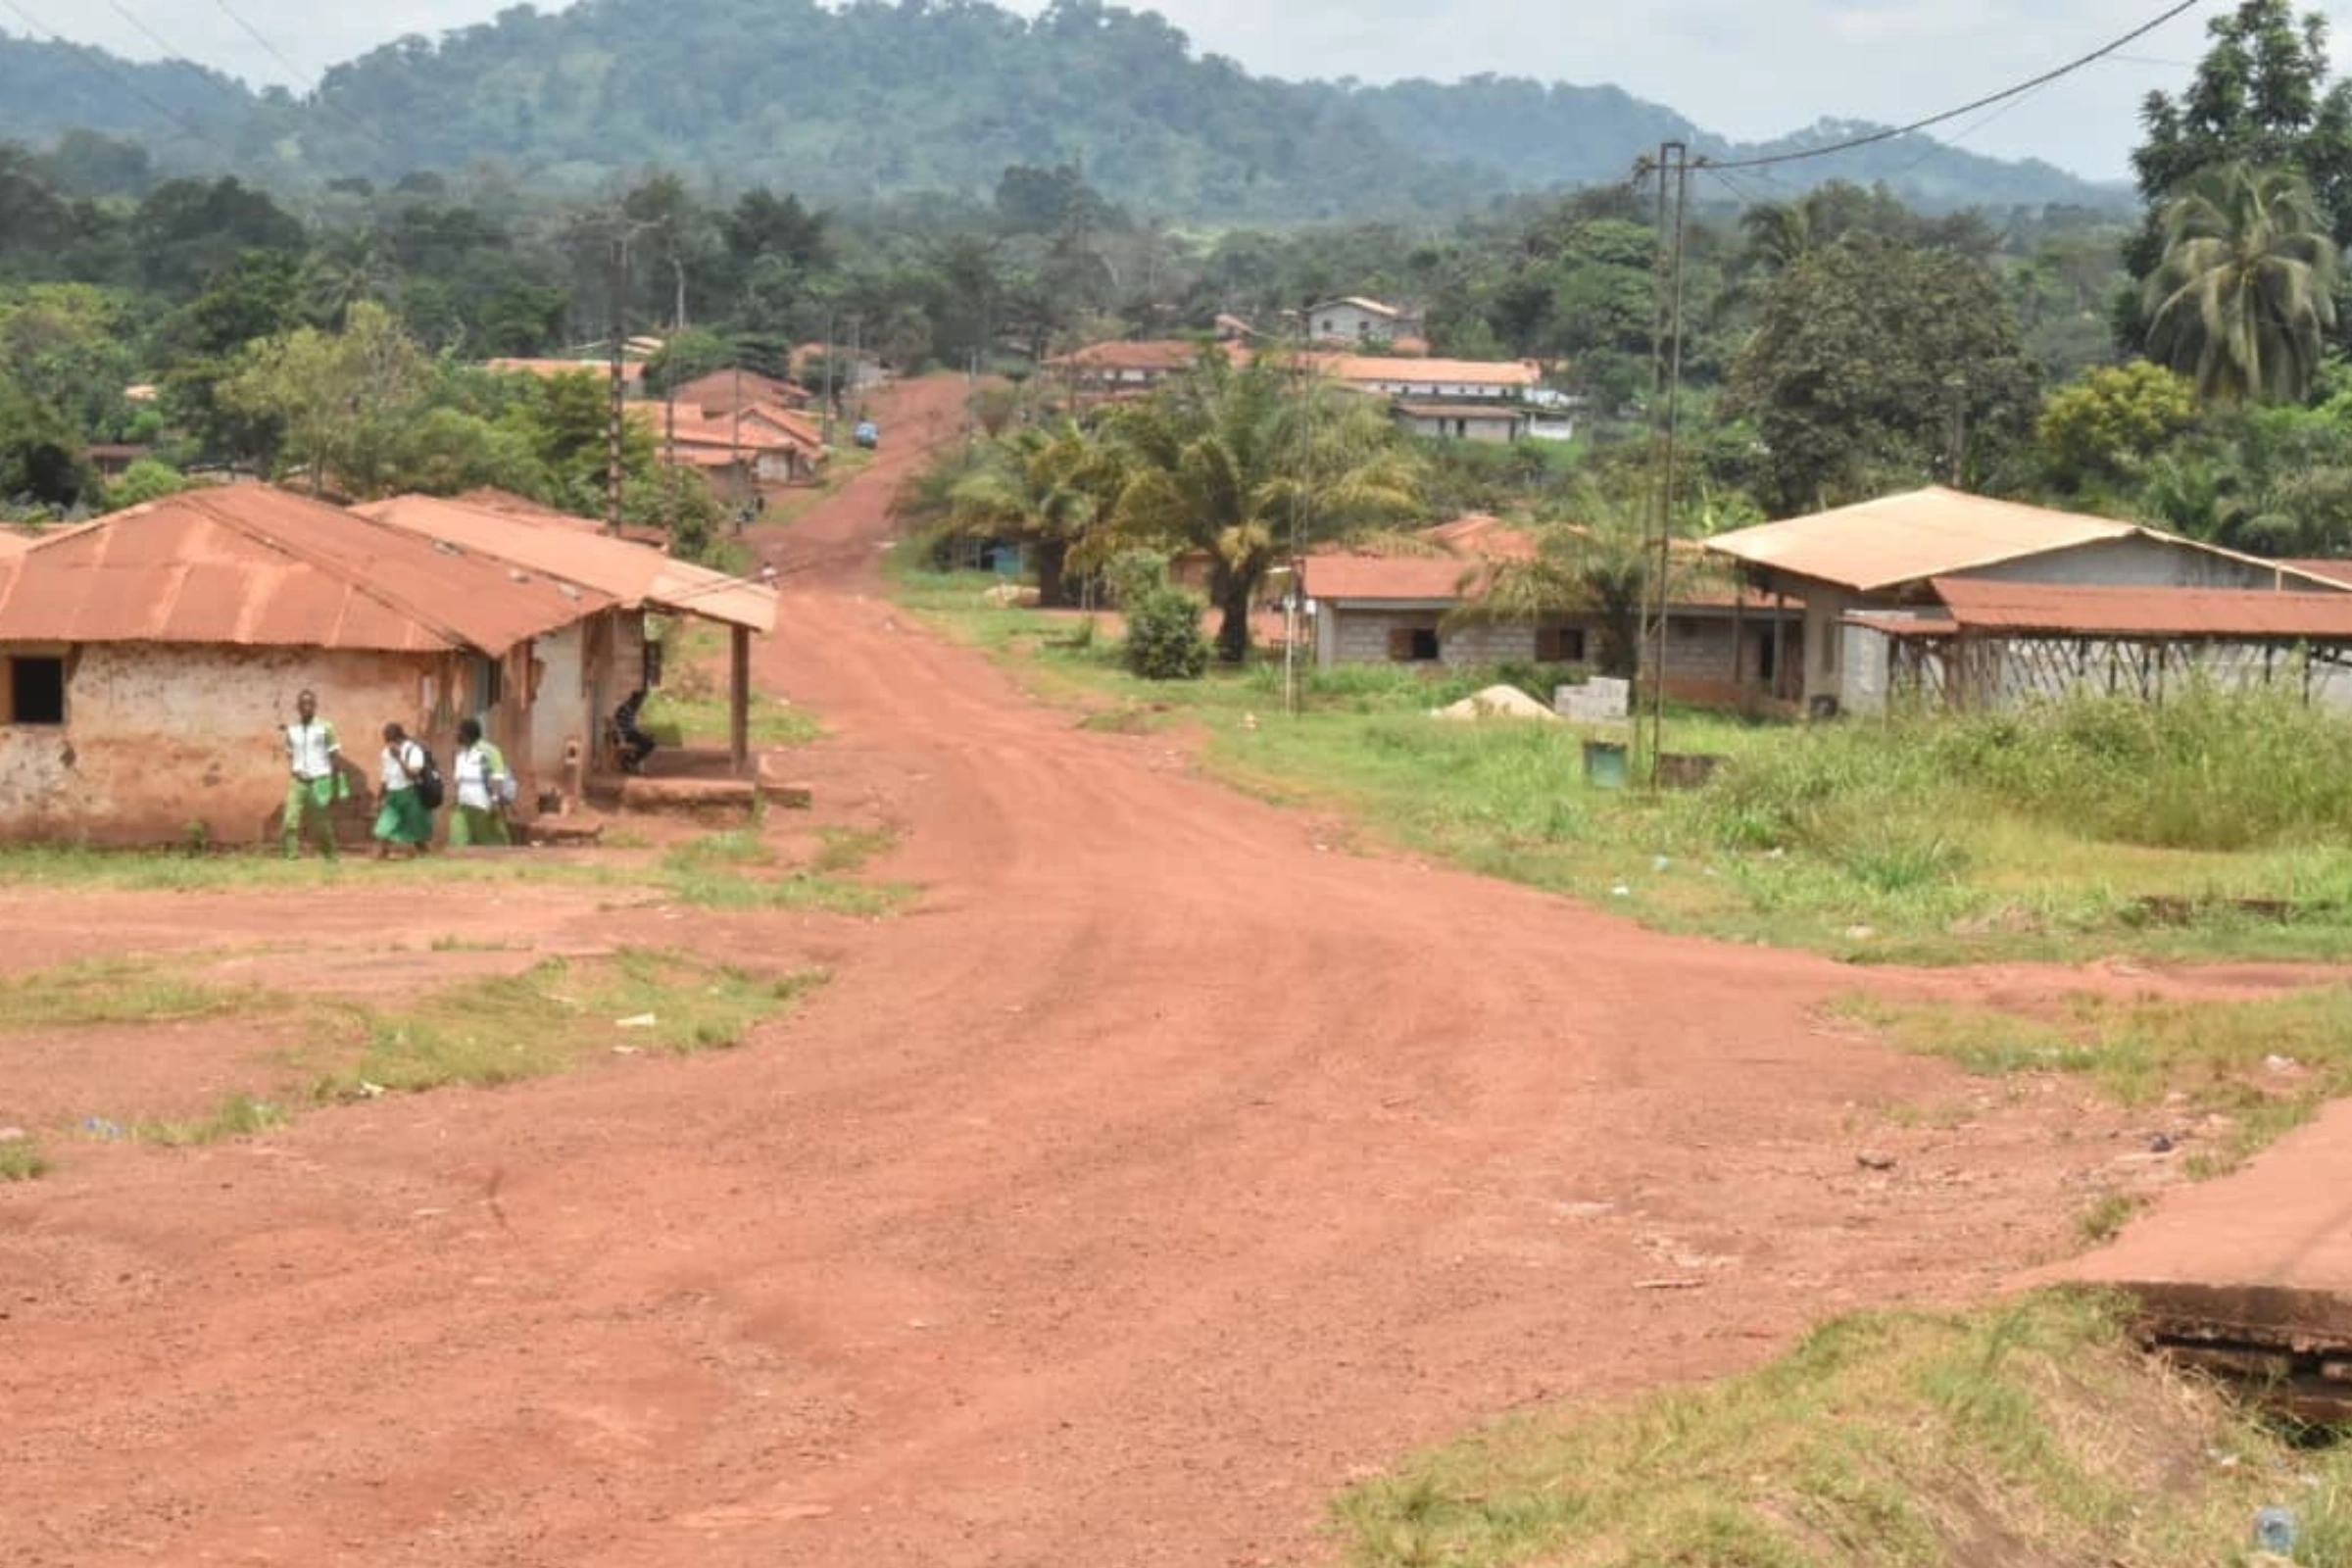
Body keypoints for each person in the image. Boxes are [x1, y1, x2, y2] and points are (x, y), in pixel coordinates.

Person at [280, 689, 342, 860]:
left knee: (322, 823)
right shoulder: (292, 730)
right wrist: (295, 770)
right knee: (289, 821)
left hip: (321, 780)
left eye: (310, 703)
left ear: (315, 706)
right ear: (297, 707)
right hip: (298, 781)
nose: (306, 707)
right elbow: (290, 754)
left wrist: (335, 783)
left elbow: (334, 755)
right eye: (303, 703)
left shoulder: (325, 727)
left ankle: (330, 857)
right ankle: (291, 858)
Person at [449, 717, 513, 848]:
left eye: (458, 731)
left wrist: (495, 801)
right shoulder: (460, 754)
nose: (455, 734)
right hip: (463, 804)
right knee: (457, 838)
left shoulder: (489, 751)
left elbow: (498, 776)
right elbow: (460, 779)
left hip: (482, 803)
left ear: (466, 734)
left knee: (492, 840)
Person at [372, 721, 433, 859]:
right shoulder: (386, 753)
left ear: (400, 738)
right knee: (383, 828)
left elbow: (413, 775)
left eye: (392, 740)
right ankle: (380, 855)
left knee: (414, 833)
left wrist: (399, 758)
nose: (390, 745)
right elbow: (385, 778)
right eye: (388, 741)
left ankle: (422, 854)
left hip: (410, 794)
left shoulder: (414, 750)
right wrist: (379, 798)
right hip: (393, 795)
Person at [613, 687, 656, 773]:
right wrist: (640, 735)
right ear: (634, 700)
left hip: (630, 734)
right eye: (639, 701)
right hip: (626, 735)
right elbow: (621, 726)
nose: (640, 704)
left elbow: (631, 726)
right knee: (649, 743)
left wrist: (642, 734)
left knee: (648, 741)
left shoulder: (631, 709)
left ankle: (631, 760)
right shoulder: (624, 709)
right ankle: (631, 761)